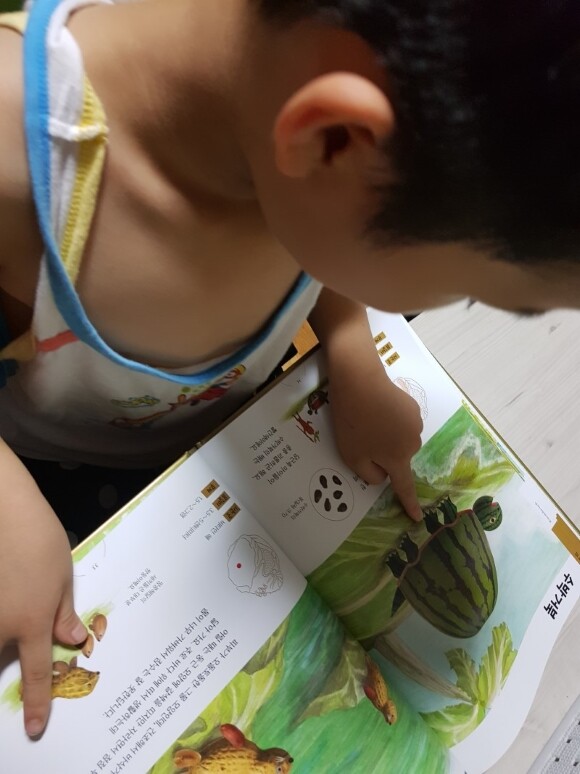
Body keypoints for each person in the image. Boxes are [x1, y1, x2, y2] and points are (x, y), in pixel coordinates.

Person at [0, 0, 579, 739]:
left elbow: (326, 221)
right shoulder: (20, 156)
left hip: (220, 448)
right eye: (470, 290)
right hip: (54, 475)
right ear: (335, 139)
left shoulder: (274, 116)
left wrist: (350, 341)